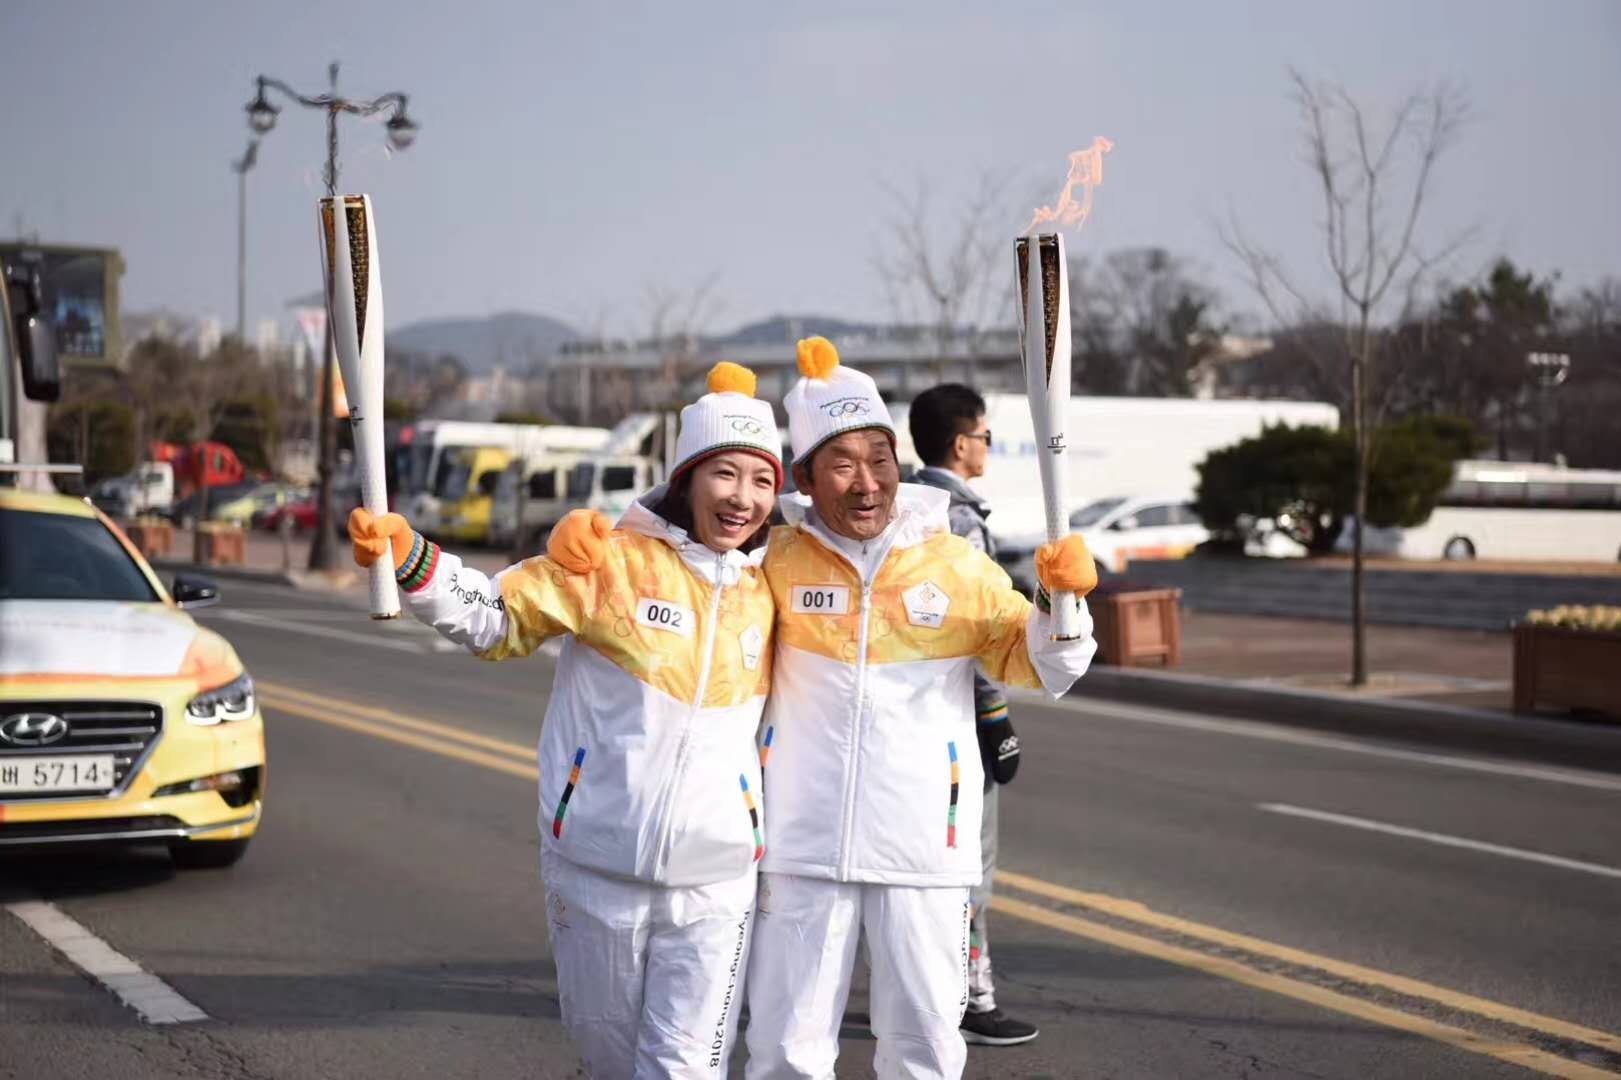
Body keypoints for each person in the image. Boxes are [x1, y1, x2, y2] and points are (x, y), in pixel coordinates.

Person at [558, 339, 1099, 1078]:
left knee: (924, 1045)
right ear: (806, 479)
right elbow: (689, 519)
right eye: (840, 464)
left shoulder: (954, 565)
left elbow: (1048, 665)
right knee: (785, 1049)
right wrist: (606, 529)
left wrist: (1062, 604)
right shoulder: (774, 553)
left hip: (924, 849)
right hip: (797, 847)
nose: (865, 483)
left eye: (878, 460)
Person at [350, 363, 783, 1078]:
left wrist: (1042, 610)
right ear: (685, 477)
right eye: (725, 474)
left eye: (761, 480)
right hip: (596, 868)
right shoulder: (607, 564)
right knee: (611, 1062)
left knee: (682, 1070)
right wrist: (410, 556)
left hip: (719, 878)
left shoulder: (769, 588)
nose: (742, 498)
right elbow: (493, 620)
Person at [908, 382, 1038, 1048]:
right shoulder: (955, 517)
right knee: (969, 861)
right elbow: (977, 626)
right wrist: (995, 718)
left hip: (915, 712)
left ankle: (931, 986)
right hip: (956, 714)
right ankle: (969, 995)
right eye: (984, 436)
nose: (986, 447)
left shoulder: (910, 504)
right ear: (961, 444)